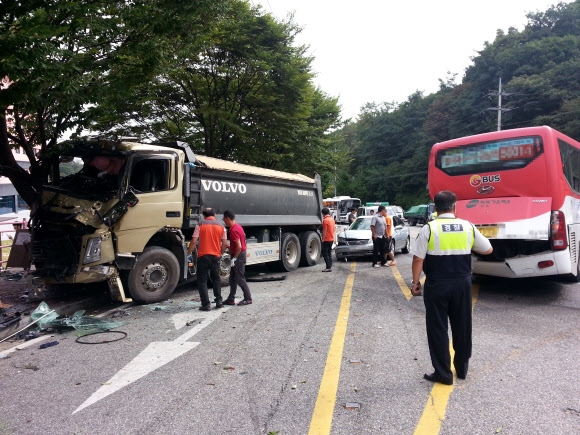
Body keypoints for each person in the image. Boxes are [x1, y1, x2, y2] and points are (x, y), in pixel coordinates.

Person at [410, 190, 492, 385]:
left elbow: (418, 259)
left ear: (435, 208)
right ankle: (462, 369)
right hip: (462, 284)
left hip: (437, 284)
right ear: (455, 207)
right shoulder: (468, 226)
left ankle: (443, 373)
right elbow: (488, 249)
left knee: (437, 328)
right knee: (462, 326)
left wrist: (415, 283)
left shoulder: (429, 228)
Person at [187, 208, 227, 311]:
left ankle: (206, 305)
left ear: (204, 216)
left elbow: (194, 241)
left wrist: (189, 253)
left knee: (202, 281)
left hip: (203, 256)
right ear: (214, 214)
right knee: (216, 279)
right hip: (215, 257)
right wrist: (220, 253)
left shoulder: (200, 225)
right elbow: (224, 243)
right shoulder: (221, 226)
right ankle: (219, 301)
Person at [222, 210, 252, 306]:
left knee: (240, 278)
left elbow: (239, 246)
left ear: (228, 218)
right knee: (233, 278)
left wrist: (234, 258)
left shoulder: (234, 230)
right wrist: (230, 247)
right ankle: (231, 299)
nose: (224, 221)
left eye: (224, 219)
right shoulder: (237, 226)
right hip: (240, 254)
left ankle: (248, 298)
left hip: (239, 256)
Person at [321, 207, 335, 272]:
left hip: (326, 239)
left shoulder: (325, 220)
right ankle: (330, 265)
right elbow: (334, 229)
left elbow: (324, 230)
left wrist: (323, 238)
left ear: (323, 213)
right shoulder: (332, 219)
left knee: (325, 253)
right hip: (331, 238)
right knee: (329, 252)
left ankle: (328, 267)